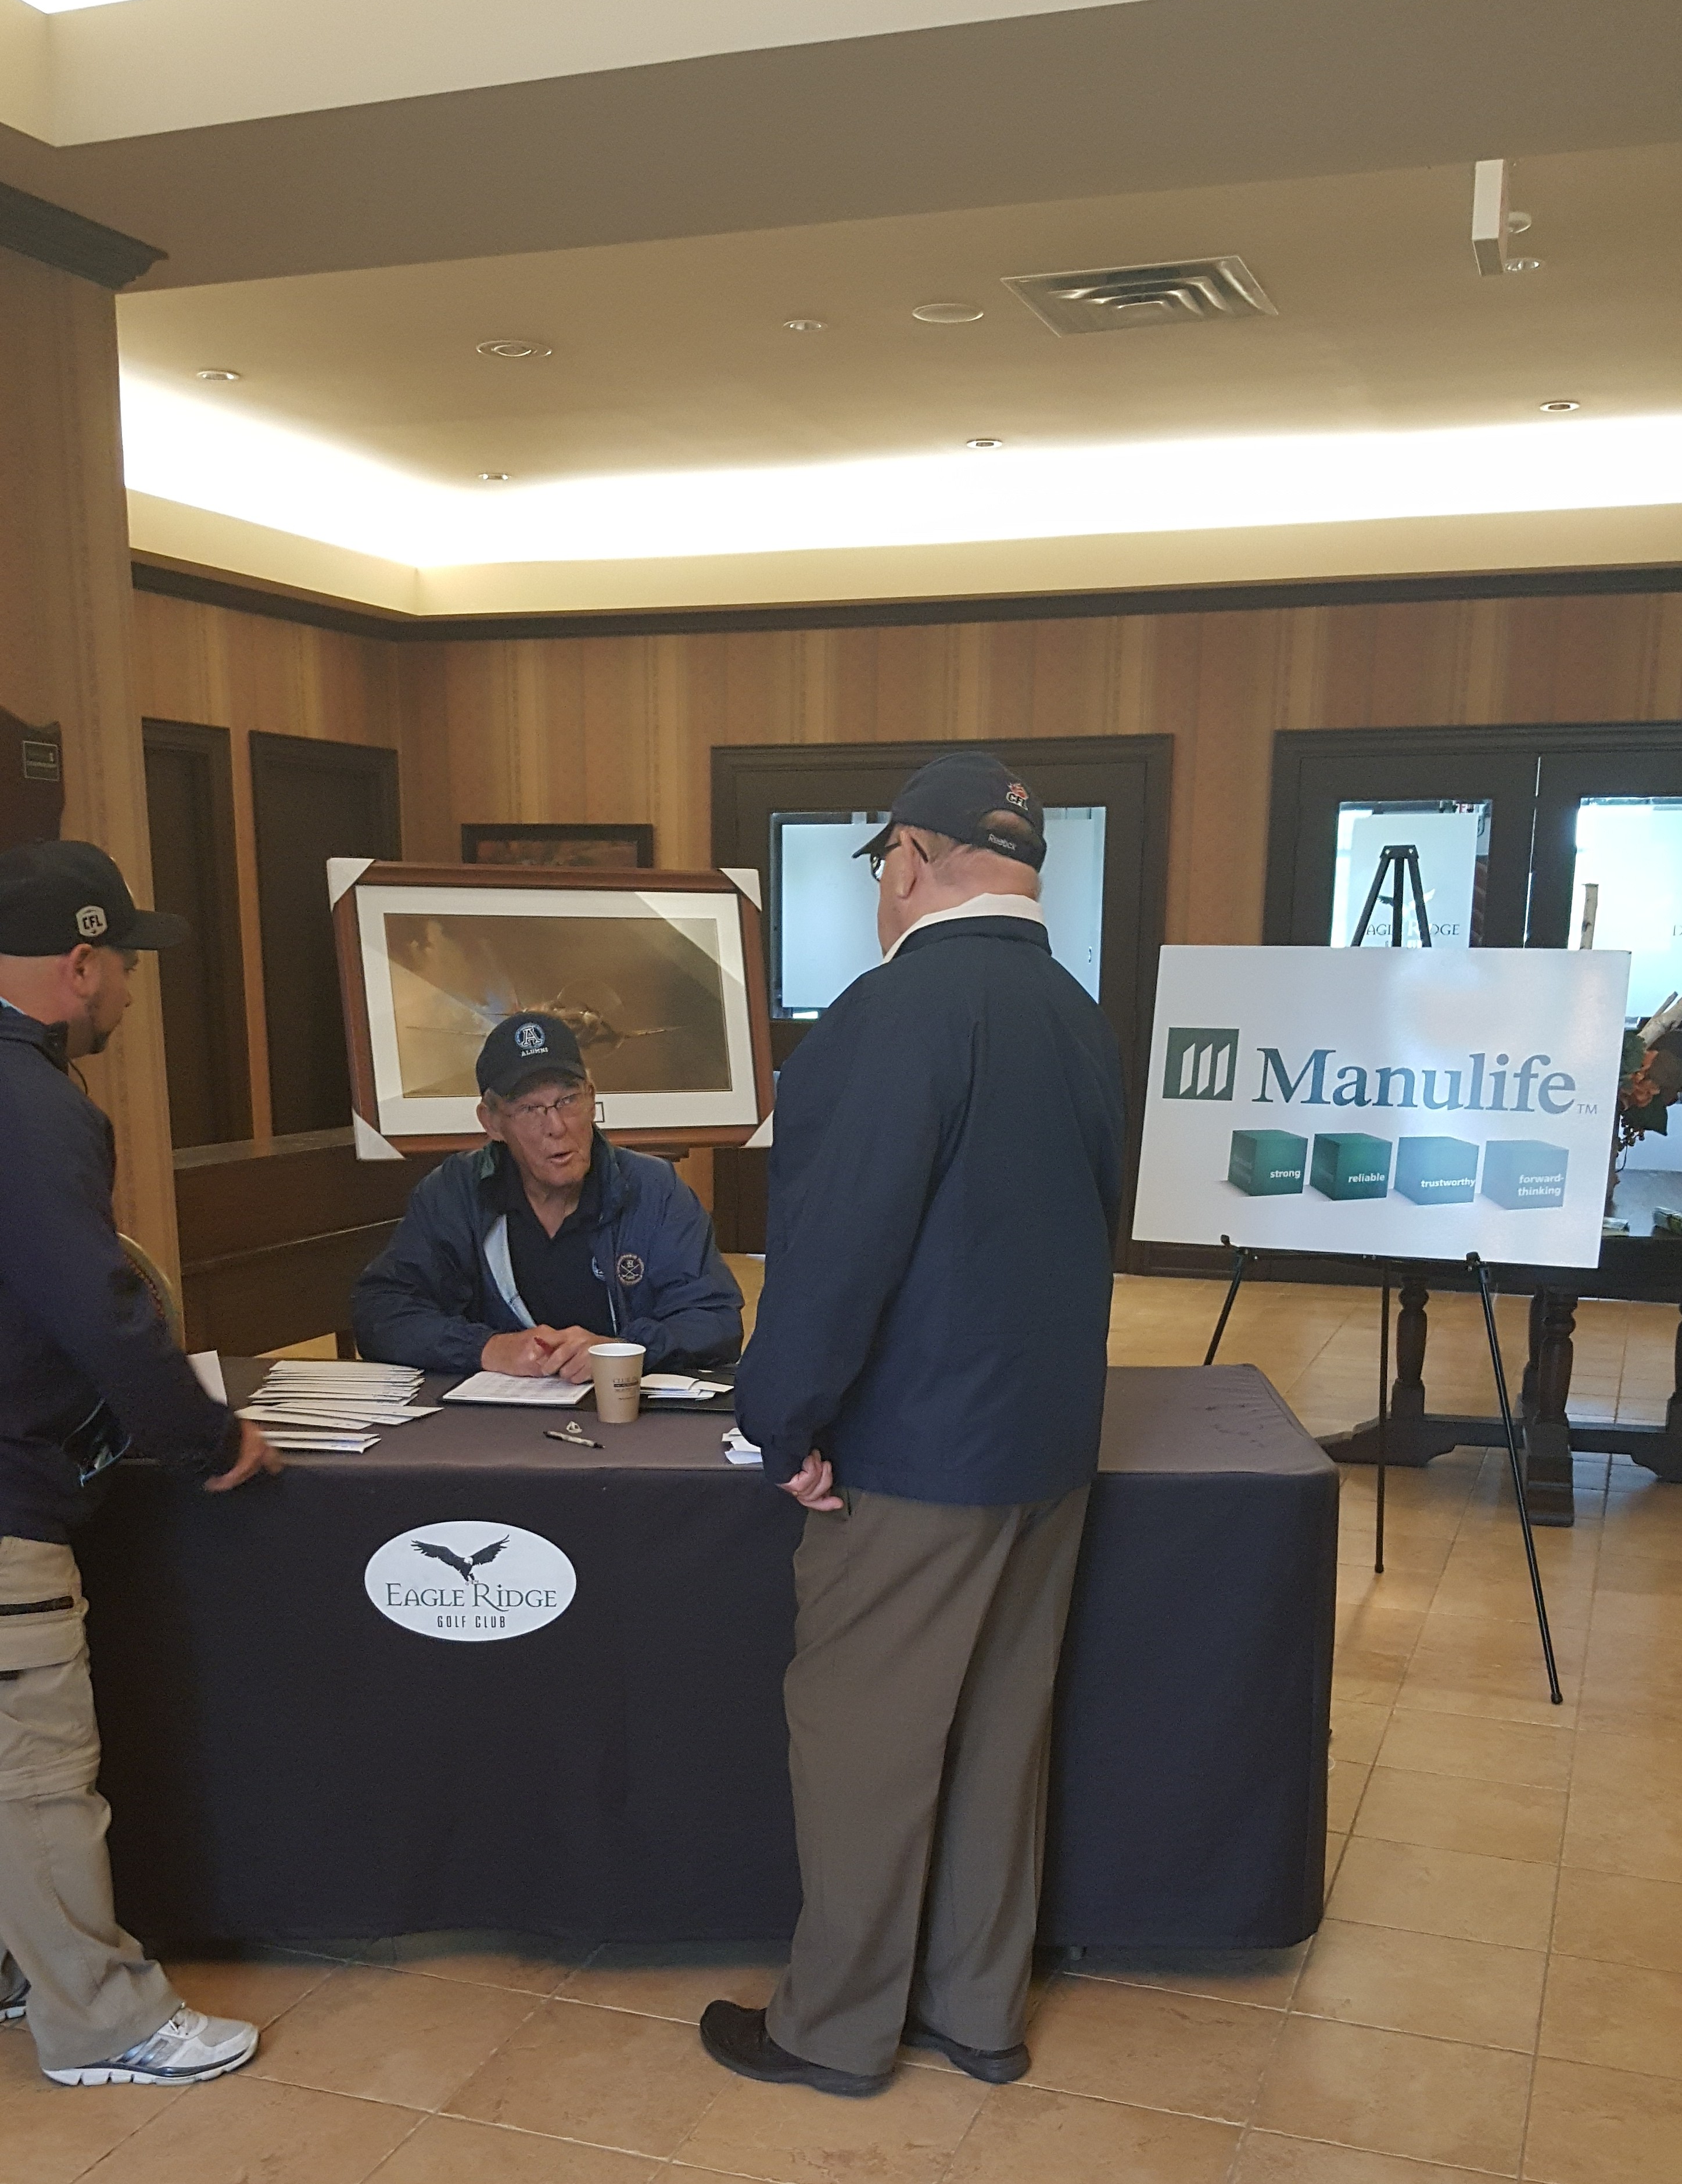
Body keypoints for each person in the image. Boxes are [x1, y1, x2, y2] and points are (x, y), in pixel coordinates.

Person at [703, 749, 1124, 2098]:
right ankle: (975, 2008)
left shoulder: (886, 1015)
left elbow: (835, 1250)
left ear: (906, 858)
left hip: (912, 1454)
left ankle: (833, 2026)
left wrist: (783, 1421)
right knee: (1001, 1735)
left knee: (860, 1739)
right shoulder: (1077, 1012)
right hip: (1047, 1447)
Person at [0, 840, 278, 2088]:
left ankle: (22, 1967)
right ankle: (103, 2021)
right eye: (124, 964)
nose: (126, 989)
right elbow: (101, 1308)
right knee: (37, 1770)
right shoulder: (35, 1103)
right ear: (80, 963)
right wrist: (207, 1436)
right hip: (7, 1494)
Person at [352, 1012, 743, 1378]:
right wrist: (486, 1349)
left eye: (568, 1101)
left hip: (625, 1414)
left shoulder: (654, 1190)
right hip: (495, 1420)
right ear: (492, 1122)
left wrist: (621, 1351)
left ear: (591, 1098)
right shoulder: (455, 1192)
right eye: (529, 1109)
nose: (556, 1126)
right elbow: (380, 1313)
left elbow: (716, 1321)